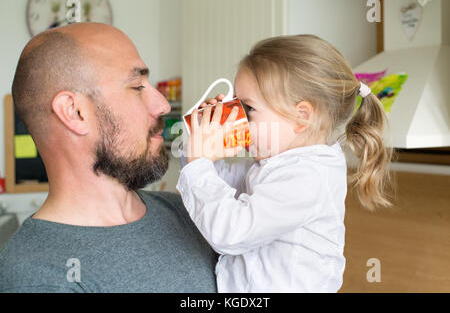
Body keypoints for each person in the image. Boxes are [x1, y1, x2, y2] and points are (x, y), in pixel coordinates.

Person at [0, 23, 217, 293]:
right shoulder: (37, 276)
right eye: (137, 86)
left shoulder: (197, 213)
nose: (162, 105)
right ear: (75, 112)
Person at [176, 35, 393, 292]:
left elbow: (231, 232)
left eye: (248, 109)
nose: (239, 118)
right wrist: (197, 141)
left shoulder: (307, 177)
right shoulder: (277, 160)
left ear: (301, 117)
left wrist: (198, 164)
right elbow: (222, 183)